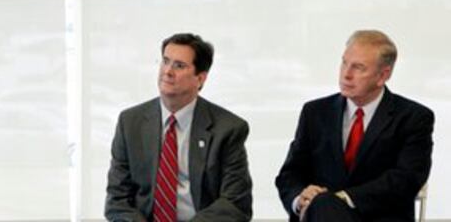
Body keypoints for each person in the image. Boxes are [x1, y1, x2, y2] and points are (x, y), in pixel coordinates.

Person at [275, 30, 434, 222]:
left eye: (358, 67)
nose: (346, 74)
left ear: (383, 75)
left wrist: (341, 199)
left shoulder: (413, 117)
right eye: (344, 63)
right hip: (320, 215)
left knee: (325, 203)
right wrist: (300, 198)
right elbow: (290, 174)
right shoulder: (315, 112)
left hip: (380, 217)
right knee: (322, 205)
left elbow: (406, 179)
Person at [105, 33, 253, 222]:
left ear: (200, 79)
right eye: (165, 61)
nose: (167, 71)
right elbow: (117, 201)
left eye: (179, 66)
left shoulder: (228, 129)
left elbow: (235, 203)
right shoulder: (130, 123)